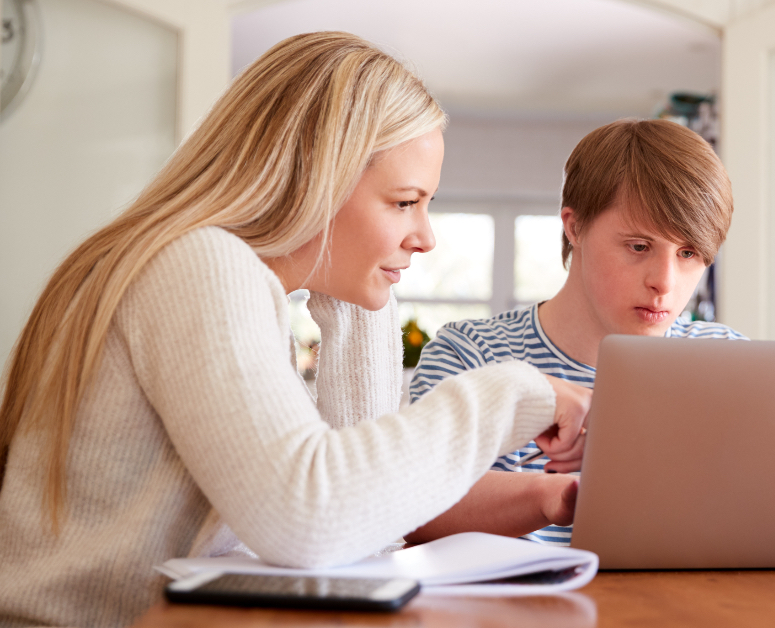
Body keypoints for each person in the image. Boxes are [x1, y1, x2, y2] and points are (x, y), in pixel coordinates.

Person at [0, 32, 588, 628]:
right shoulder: (197, 263)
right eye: (404, 202)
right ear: (315, 178)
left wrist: (362, 302)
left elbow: (363, 538)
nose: (426, 236)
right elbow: (311, 518)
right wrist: (514, 393)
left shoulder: (232, 277)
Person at [406, 119, 746, 547]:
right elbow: (415, 510)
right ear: (574, 226)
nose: (665, 281)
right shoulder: (471, 355)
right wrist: (571, 494)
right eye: (639, 247)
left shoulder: (730, 362)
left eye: (689, 253)